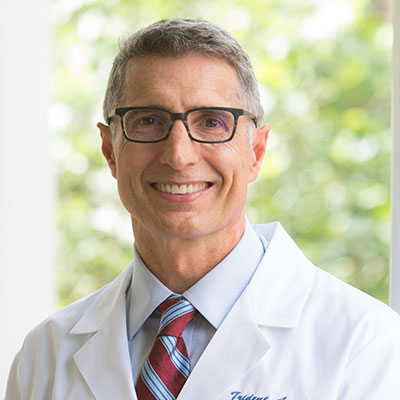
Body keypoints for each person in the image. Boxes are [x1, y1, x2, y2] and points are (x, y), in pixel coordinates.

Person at [6, 18, 400, 400]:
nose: (179, 155)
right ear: (110, 150)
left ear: (256, 152)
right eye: (148, 121)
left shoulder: (365, 345)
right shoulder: (45, 356)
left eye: (211, 122)